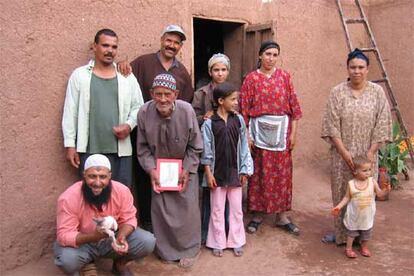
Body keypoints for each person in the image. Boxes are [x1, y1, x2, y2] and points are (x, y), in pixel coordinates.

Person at [118, 24, 193, 228]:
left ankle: (169, 225)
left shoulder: (182, 72)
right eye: (169, 40)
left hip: (171, 136)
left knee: (168, 178)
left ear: (180, 47)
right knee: (145, 176)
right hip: (145, 132)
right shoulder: (143, 63)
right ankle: (149, 223)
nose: (172, 45)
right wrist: (123, 63)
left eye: (176, 42)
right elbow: (123, 74)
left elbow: (186, 105)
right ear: (161, 40)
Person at [321, 49, 392, 245]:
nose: (356, 71)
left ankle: (363, 237)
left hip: (368, 158)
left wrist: (370, 153)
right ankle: (342, 235)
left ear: (367, 69)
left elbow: (383, 122)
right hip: (342, 155)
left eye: (361, 67)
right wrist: (344, 152)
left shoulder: (377, 92)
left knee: (365, 196)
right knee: (342, 193)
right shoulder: (337, 92)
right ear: (347, 68)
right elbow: (331, 124)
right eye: (353, 67)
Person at [62, 28, 144, 187]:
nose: (110, 51)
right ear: (94, 46)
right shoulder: (80, 76)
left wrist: (129, 125)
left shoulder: (126, 76)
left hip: (121, 151)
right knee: (93, 196)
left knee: (121, 195)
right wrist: (70, 145)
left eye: (114, 47)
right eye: (105, 45)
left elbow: (138, 106)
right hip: (89, 149)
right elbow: (70, 111)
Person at [136, 73, 203, 268]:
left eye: (167, 94)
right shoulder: (144, 112)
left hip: (184, 169)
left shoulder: (187, 111)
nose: (163, 99)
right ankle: (166, 251)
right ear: (151, 94)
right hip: (159, 171)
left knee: (188, 210)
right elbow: (142, 148)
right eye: (158, 94)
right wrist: (151, 170)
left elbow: (195, 146)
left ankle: (190, 249)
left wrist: (187, 168)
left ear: (176, 94)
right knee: (161, 211)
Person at [53, 154, 156, 275]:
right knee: (68, 260)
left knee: (147, 241)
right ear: (84, 175)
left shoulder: (121, 191)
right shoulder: (69, 197)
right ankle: (85, 264)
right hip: (83, 243)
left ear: (110, 176)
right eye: (92, 176)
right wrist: (94, 236)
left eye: (102, 177)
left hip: (110, 240)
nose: (97, 183)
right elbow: (64, 235)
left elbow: (129, 220)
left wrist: (121, 237)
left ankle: (119, 264)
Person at [240, 41, 303, 235]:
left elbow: (294, 108)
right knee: (259, 173)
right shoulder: (251, 79)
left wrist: (293, 134)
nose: (271, 58)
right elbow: (243, 110)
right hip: (259, 133)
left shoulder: (284, 77)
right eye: (268, 54)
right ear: (260, 56)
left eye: (275, 55)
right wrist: (247, 136)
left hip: (281, 134)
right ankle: (258, 214)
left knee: (282, 174)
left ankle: (281, 216)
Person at [201, 82, 253, 257]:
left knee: (237, 208)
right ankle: (217, 242)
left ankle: (236, 241)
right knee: (217, 208)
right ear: (221, 101)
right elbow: (206, 150)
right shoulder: (209, 123)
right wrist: (208, 173)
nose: (236, 102)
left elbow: (244, 146)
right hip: (217, 173)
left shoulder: (237, 120)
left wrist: (244, 169)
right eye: (233, 99)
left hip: (235, 171)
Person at [192, 53, 231, 244]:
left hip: (226, 148)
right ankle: (206, 230)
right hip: (208, 149)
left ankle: (226, 230)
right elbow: (192, 118)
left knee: (227, 190)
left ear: (228, 72)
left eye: (223, 70)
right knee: (209, 190)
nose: (220, 73)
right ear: (210, 72)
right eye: (216, 70)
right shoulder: (201, 93)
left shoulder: (232, 93)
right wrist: (204, 117)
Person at [331, 155, 391, 258]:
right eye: (364, 170)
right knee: (351, 234)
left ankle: (364, 247)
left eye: (369, 170)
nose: (368, 172)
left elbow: (380, 194)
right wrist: (338, 207)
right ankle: (348, 249)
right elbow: (346, 198)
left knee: (366, 233)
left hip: (367, 216)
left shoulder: (372, 182)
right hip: (354, 216)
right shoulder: (351, 184)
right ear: (355, 172)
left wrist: (386, 190)